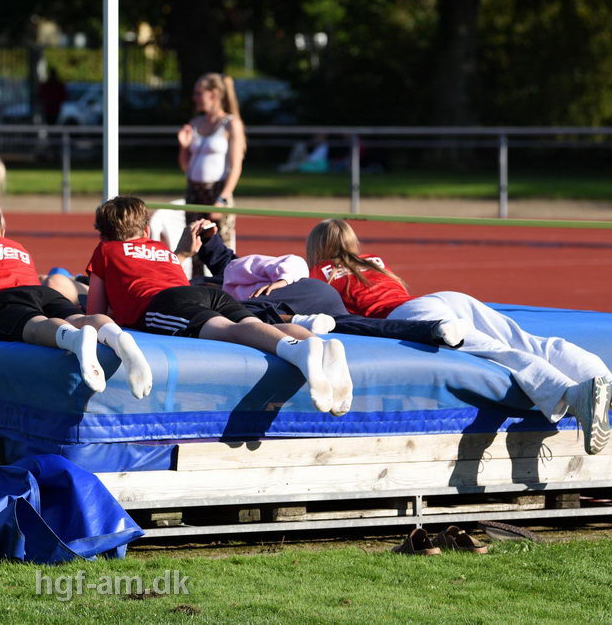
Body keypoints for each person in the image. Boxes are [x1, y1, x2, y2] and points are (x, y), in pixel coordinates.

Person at [306, 218, 612, 454]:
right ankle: (597, 375)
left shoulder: (321, 273)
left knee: (497, 353)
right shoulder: (372, 260)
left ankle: (573, 396)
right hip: (443, 299)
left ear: (317, 249)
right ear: (352, 241)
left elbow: (326, 307)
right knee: (526, 340)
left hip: (406, 316)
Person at [86, 196, 353, 416]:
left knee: (229, 331)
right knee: (254, 325)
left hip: (163, 303)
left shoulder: (105, 251)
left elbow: (95, 311)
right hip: (203, 292)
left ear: (102, 235)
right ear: (145, 230)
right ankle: (321, 345)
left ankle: (297, 351)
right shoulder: (161, 249)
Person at [0, 198, 152, 399]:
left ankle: (75, 339)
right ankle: (116, 336)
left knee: (36, 325)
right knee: (77, 316)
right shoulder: (17, 247)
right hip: (41, 291)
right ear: (3, 230)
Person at [175, 219, 469, 347]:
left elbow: (287, 264)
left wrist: (284, 281)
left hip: (312, 297)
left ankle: (301, 320)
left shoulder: (319, 269)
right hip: (411, 304)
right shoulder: (371, 260)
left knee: (243, 314)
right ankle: (435, 331)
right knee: (354, 324)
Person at [176, 72, 245, 257]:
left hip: (217, 190)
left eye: (199, 93)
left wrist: (222, 198)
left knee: (222, 245)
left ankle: (225, 284)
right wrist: (183, 147)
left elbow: (235, 166)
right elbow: (186, 168)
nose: (195, 98)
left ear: (213, 94)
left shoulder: (230, 124)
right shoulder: (195, 123)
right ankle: (195, 283)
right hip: (194, 190)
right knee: (193, 246)